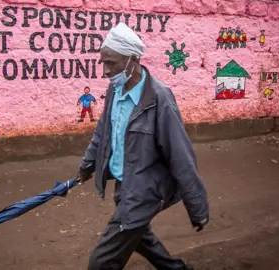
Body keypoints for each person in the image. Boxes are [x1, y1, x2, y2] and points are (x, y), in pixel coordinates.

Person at [77, 23, 209, 270]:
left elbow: (180, 155)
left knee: (101, 262)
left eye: (111, 63)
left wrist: (197, 207)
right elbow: (103, 131)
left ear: (132, 59)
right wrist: (87, 166)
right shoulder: (115, 88)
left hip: (145, 190)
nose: (105, 70)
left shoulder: (159, 98)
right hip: (123, 184)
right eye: (102, 62)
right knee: (139, 237)